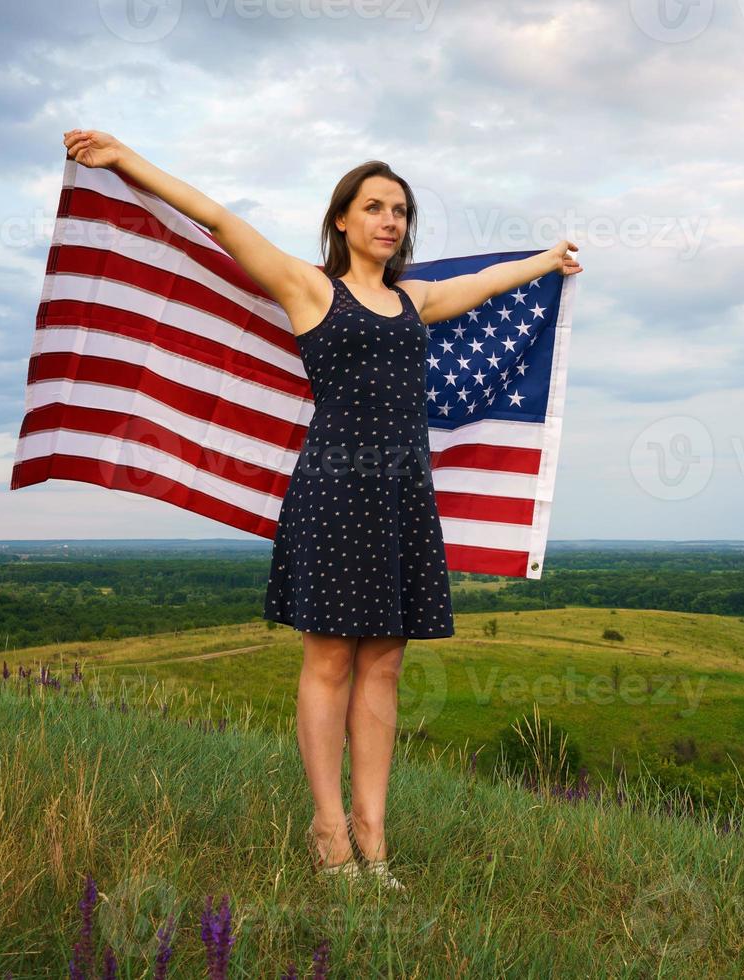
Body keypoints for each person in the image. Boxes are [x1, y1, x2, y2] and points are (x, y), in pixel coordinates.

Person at [62, 128, 582, 890]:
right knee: (330, 657)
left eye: (400, 211)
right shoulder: (309, 288)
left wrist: (546, 260)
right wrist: (126, 160)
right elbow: (217, 218)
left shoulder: (413, 300)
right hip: (335, 490)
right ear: (342, 218)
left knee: (387, 661)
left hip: (403, 493)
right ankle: (328, 830)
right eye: (374, 207)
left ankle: (374, 837)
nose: (389, 221)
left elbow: (490, 283)